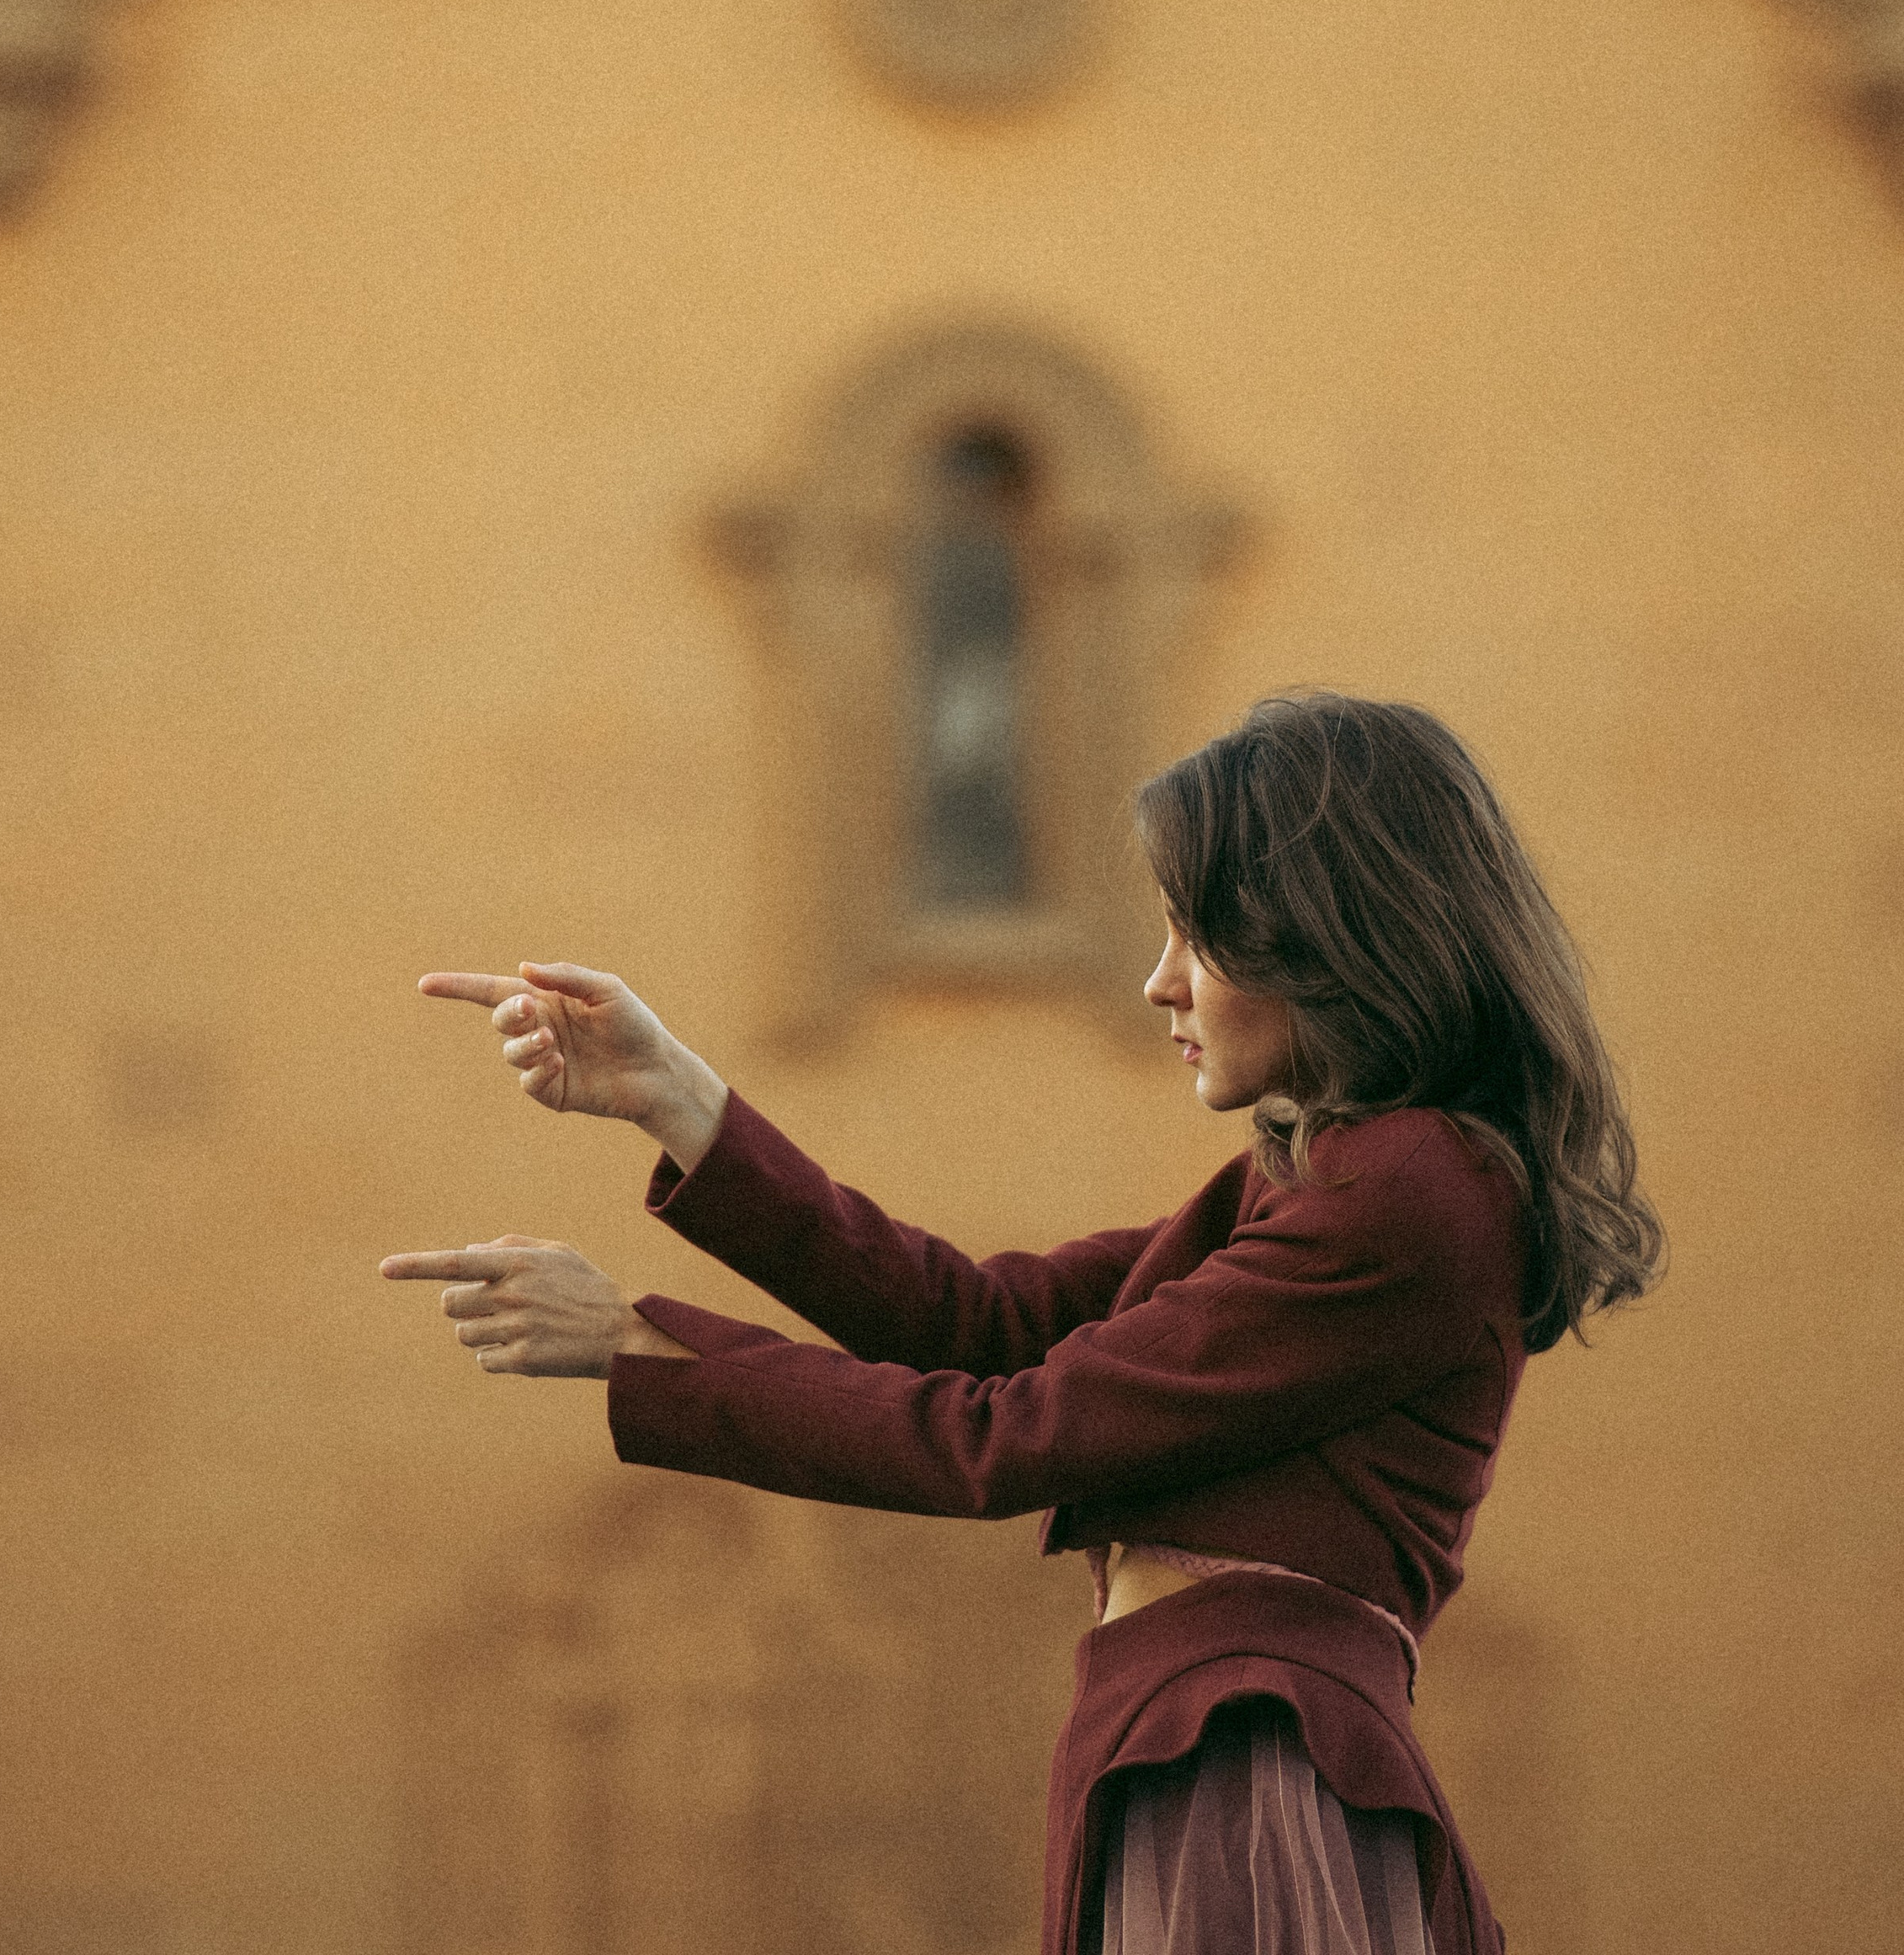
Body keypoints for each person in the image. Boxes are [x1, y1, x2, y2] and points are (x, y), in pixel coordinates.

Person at [382, 691, 1663, 1955]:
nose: (1161, 984)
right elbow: (990, 1323)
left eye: (1196, 937)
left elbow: (1002, 1436)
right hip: (1200, 1758)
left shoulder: (1404, 1194)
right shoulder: (1336, 1179)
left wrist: (633, 1350)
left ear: (1328, 941)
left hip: (1250, 1775)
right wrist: (680, 1100)